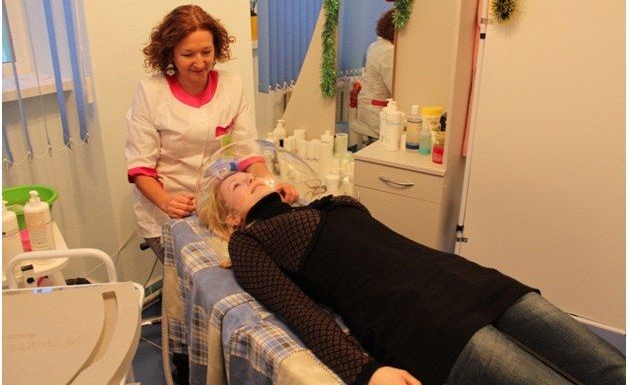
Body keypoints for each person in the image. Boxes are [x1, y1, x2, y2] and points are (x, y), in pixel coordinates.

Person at [198, 170, 625, 385]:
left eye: (251, 174)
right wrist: (366, 373)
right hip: (424, 323)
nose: (249, 177)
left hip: (469, 280)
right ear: (232, 218)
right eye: (237, 185)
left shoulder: (324, 206)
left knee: (608, 366)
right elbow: (301, 313)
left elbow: (358, 215)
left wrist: (293, 195)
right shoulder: (249, 243)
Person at [125, 5, 296, 263]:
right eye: (188, 54)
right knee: (194, 274)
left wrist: (271, 186)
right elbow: (140, 168)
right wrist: (167, 202)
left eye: (206, 52)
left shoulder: (231, 85)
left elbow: (247, 153)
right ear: (171, 54)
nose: (199, 62)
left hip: (220, 206)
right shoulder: (151, 93)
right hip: (168, 210)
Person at [352, 9, 395, 140]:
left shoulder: (374, 46)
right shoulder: (388, 51)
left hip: (367, 110)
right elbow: (394, 88)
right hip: (377, 115)